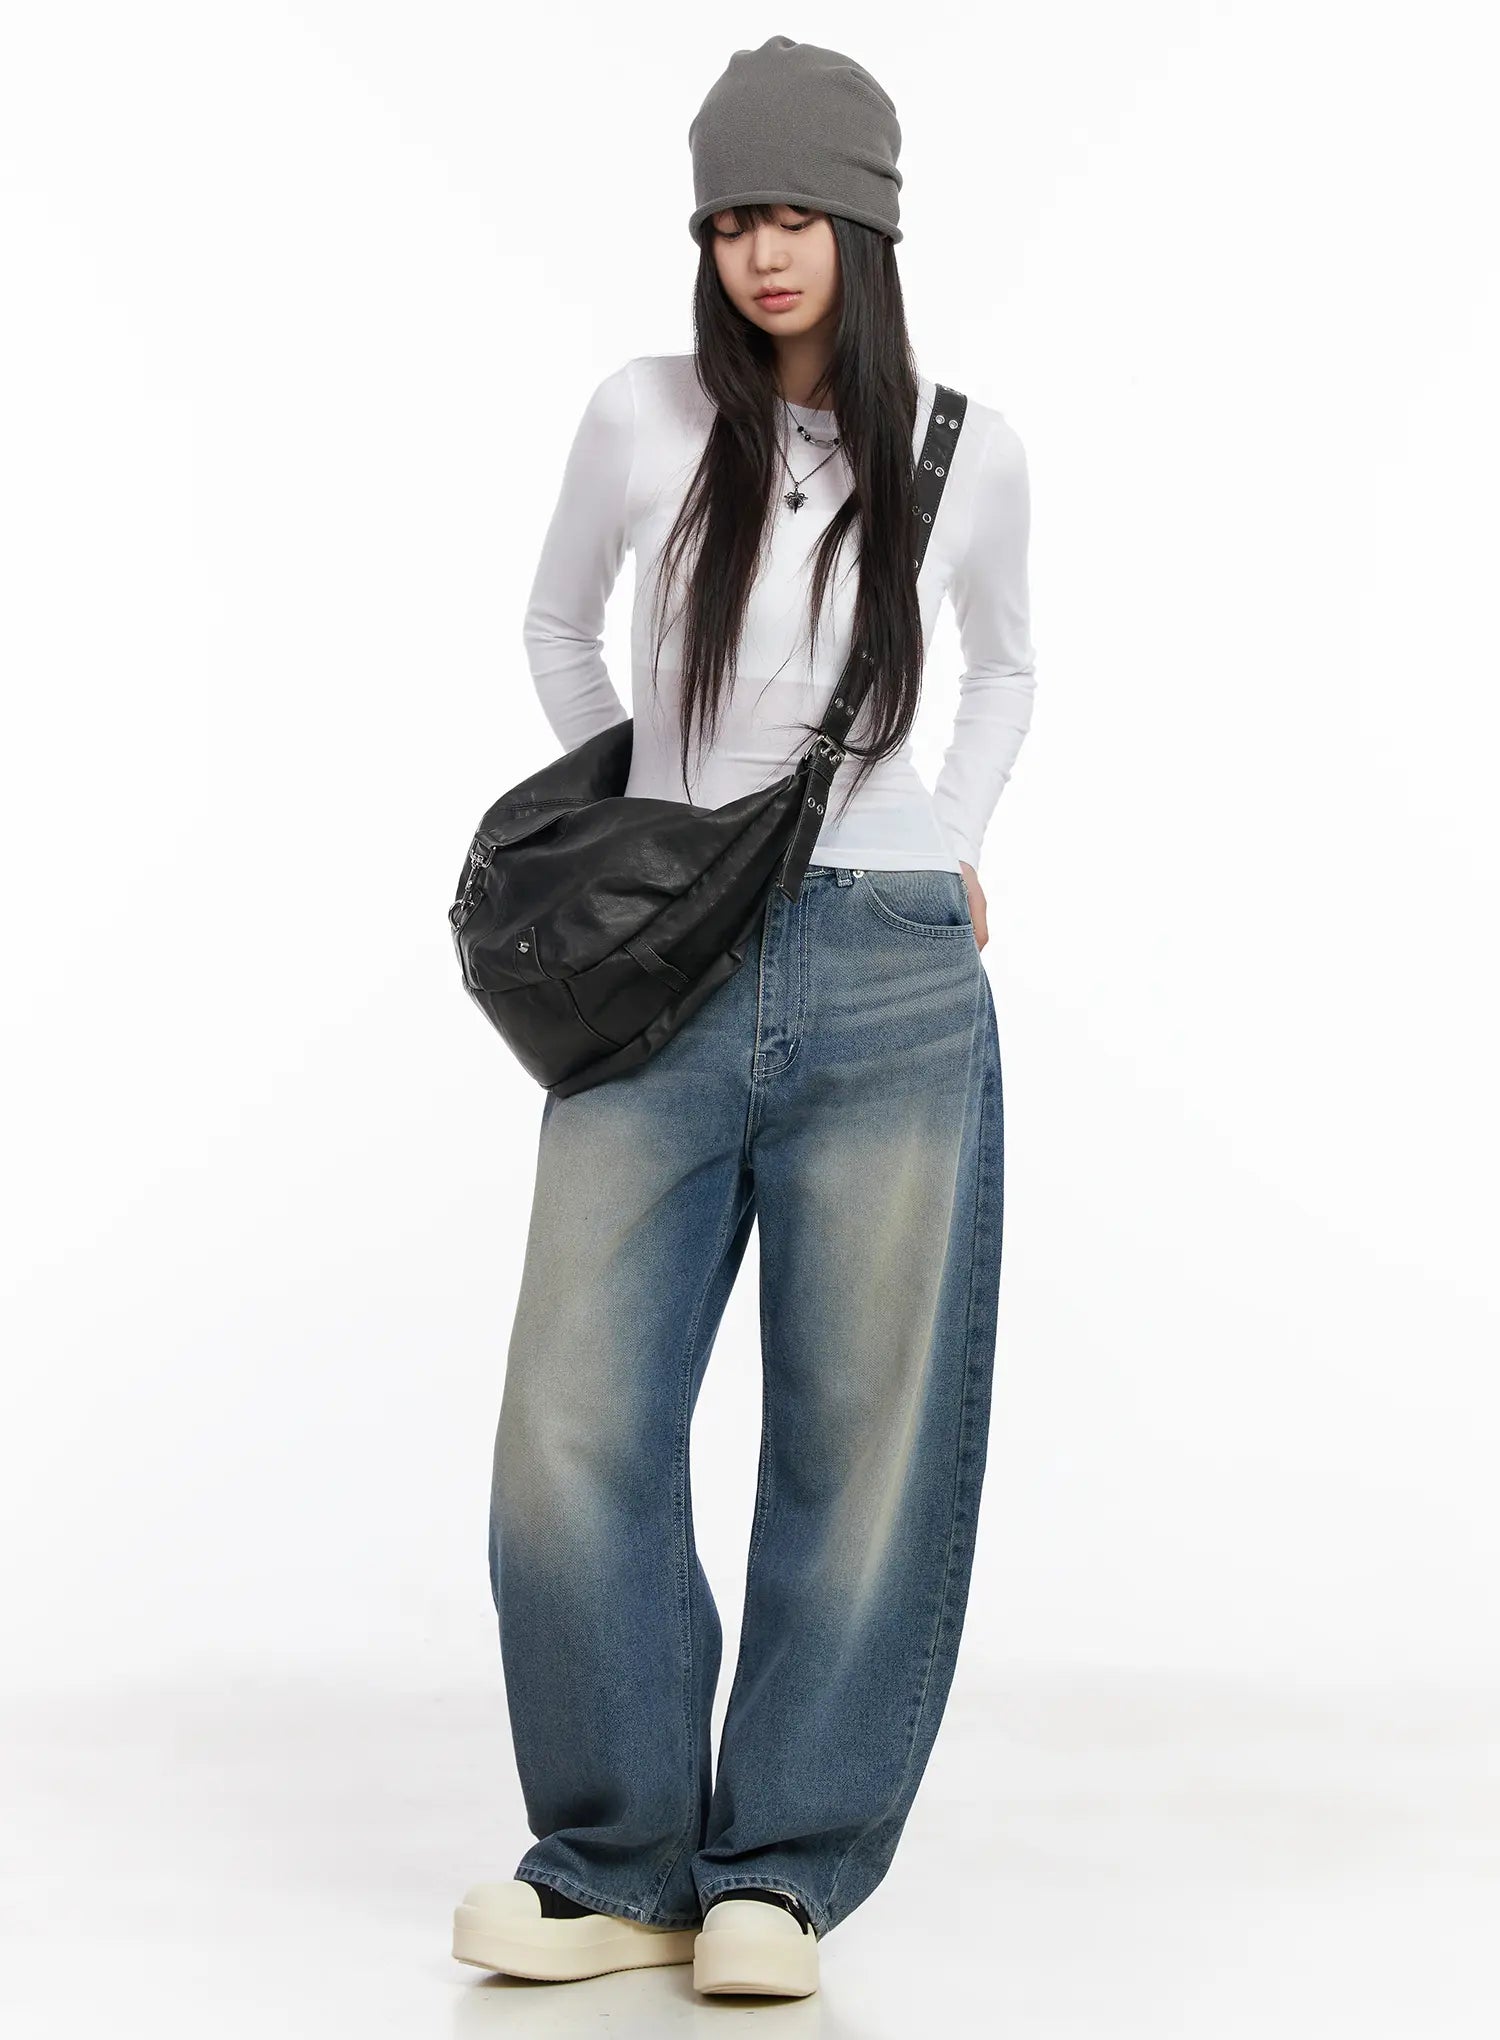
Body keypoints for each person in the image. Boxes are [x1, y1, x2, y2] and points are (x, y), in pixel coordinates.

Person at [451, 34, 1036, 2001]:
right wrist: (649, 816)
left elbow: (1008, 668)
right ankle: (618, 1862)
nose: (758, 254)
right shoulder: (641, 415)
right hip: (665, 973)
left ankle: (778, 1872)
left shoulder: (961, 450)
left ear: (864, 223)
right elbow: (556, 626)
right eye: (726, 220)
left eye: (791, 214)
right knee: (572, 1422)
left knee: (860, 1441)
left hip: (889, 961)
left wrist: (959, 834)